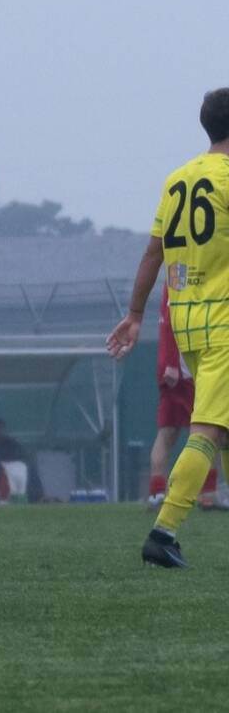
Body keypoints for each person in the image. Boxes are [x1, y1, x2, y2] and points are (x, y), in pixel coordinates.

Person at [108, 88, 229, 568]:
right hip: (225, 320)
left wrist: (135, 313)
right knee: (207, 430)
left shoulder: (178, 179)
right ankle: (164, 532)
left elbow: (153, 252)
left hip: (187, 322)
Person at [146, 285, 219, 508]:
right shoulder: (180, 276)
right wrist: (171, 363)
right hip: (182, 370)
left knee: (172, 431)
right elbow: (169, 320)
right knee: (206, 430)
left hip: (183, 366)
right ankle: (207, 493)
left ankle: (160, 492)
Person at [0, 418, 29, 502]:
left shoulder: (11, 441)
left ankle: (21, 502)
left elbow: (21, 454)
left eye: (2, 428)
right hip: (1, 466)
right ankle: (9, 501)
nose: (0, 431)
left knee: (21, 488)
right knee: (11, 489)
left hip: (16, 465)